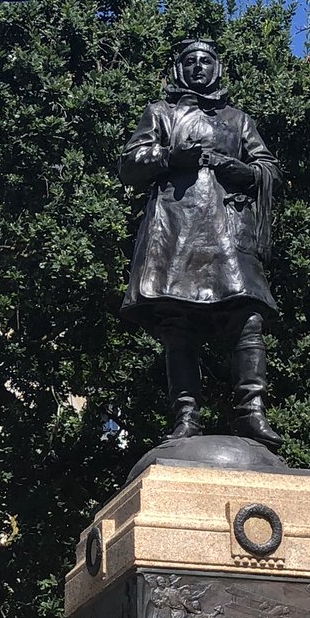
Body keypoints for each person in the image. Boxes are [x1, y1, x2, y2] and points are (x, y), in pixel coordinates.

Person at [119, 39, 282, 449]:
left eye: (204, 61)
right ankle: (186, 416)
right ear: (179, 69)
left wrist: (238, 168)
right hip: (175, 231)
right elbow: (129, 164)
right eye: (189, 61)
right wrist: (172, 157)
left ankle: (252, 411)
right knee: (179, 325)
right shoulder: (160, 114)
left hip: (228, 234)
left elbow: (270, 170)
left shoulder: (238, 120)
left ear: (217, 67)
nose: (197, 67)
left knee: (248, 318)